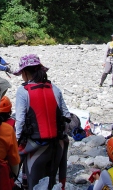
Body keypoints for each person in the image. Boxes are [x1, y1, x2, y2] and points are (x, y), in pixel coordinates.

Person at [14, 54, 71, 189]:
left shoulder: (23, 91)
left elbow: (20, 121)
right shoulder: (54, 88)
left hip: (35, 145)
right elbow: (66, 115)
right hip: (57, 145)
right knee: (51, 182)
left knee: (34, 184)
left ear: (24, 72)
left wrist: (15, 142)